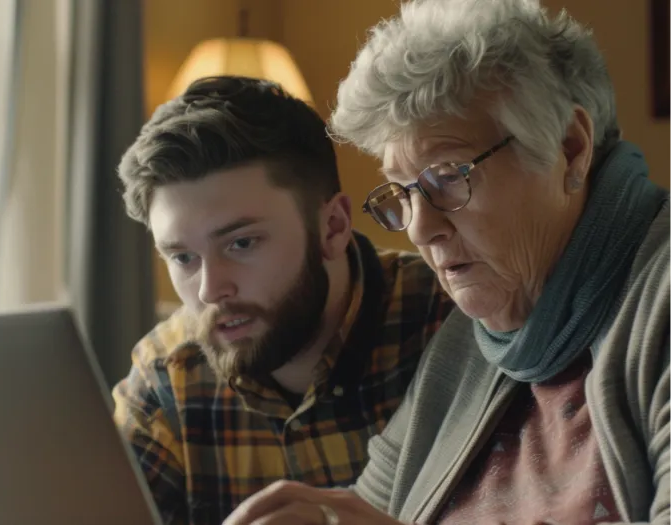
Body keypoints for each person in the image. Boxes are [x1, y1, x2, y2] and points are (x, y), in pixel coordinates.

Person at [222, 0, 671, 524]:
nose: (419, 228)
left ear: (569, 149)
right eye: (402, 192)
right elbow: (368, 511)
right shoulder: (470, 344)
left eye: (449, 176)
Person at [111, 75, 453, 524]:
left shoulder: (449, 325)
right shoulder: (167, 380)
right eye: (183, 257)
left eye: (242, 244)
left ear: (332, 227)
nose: (211, 290)